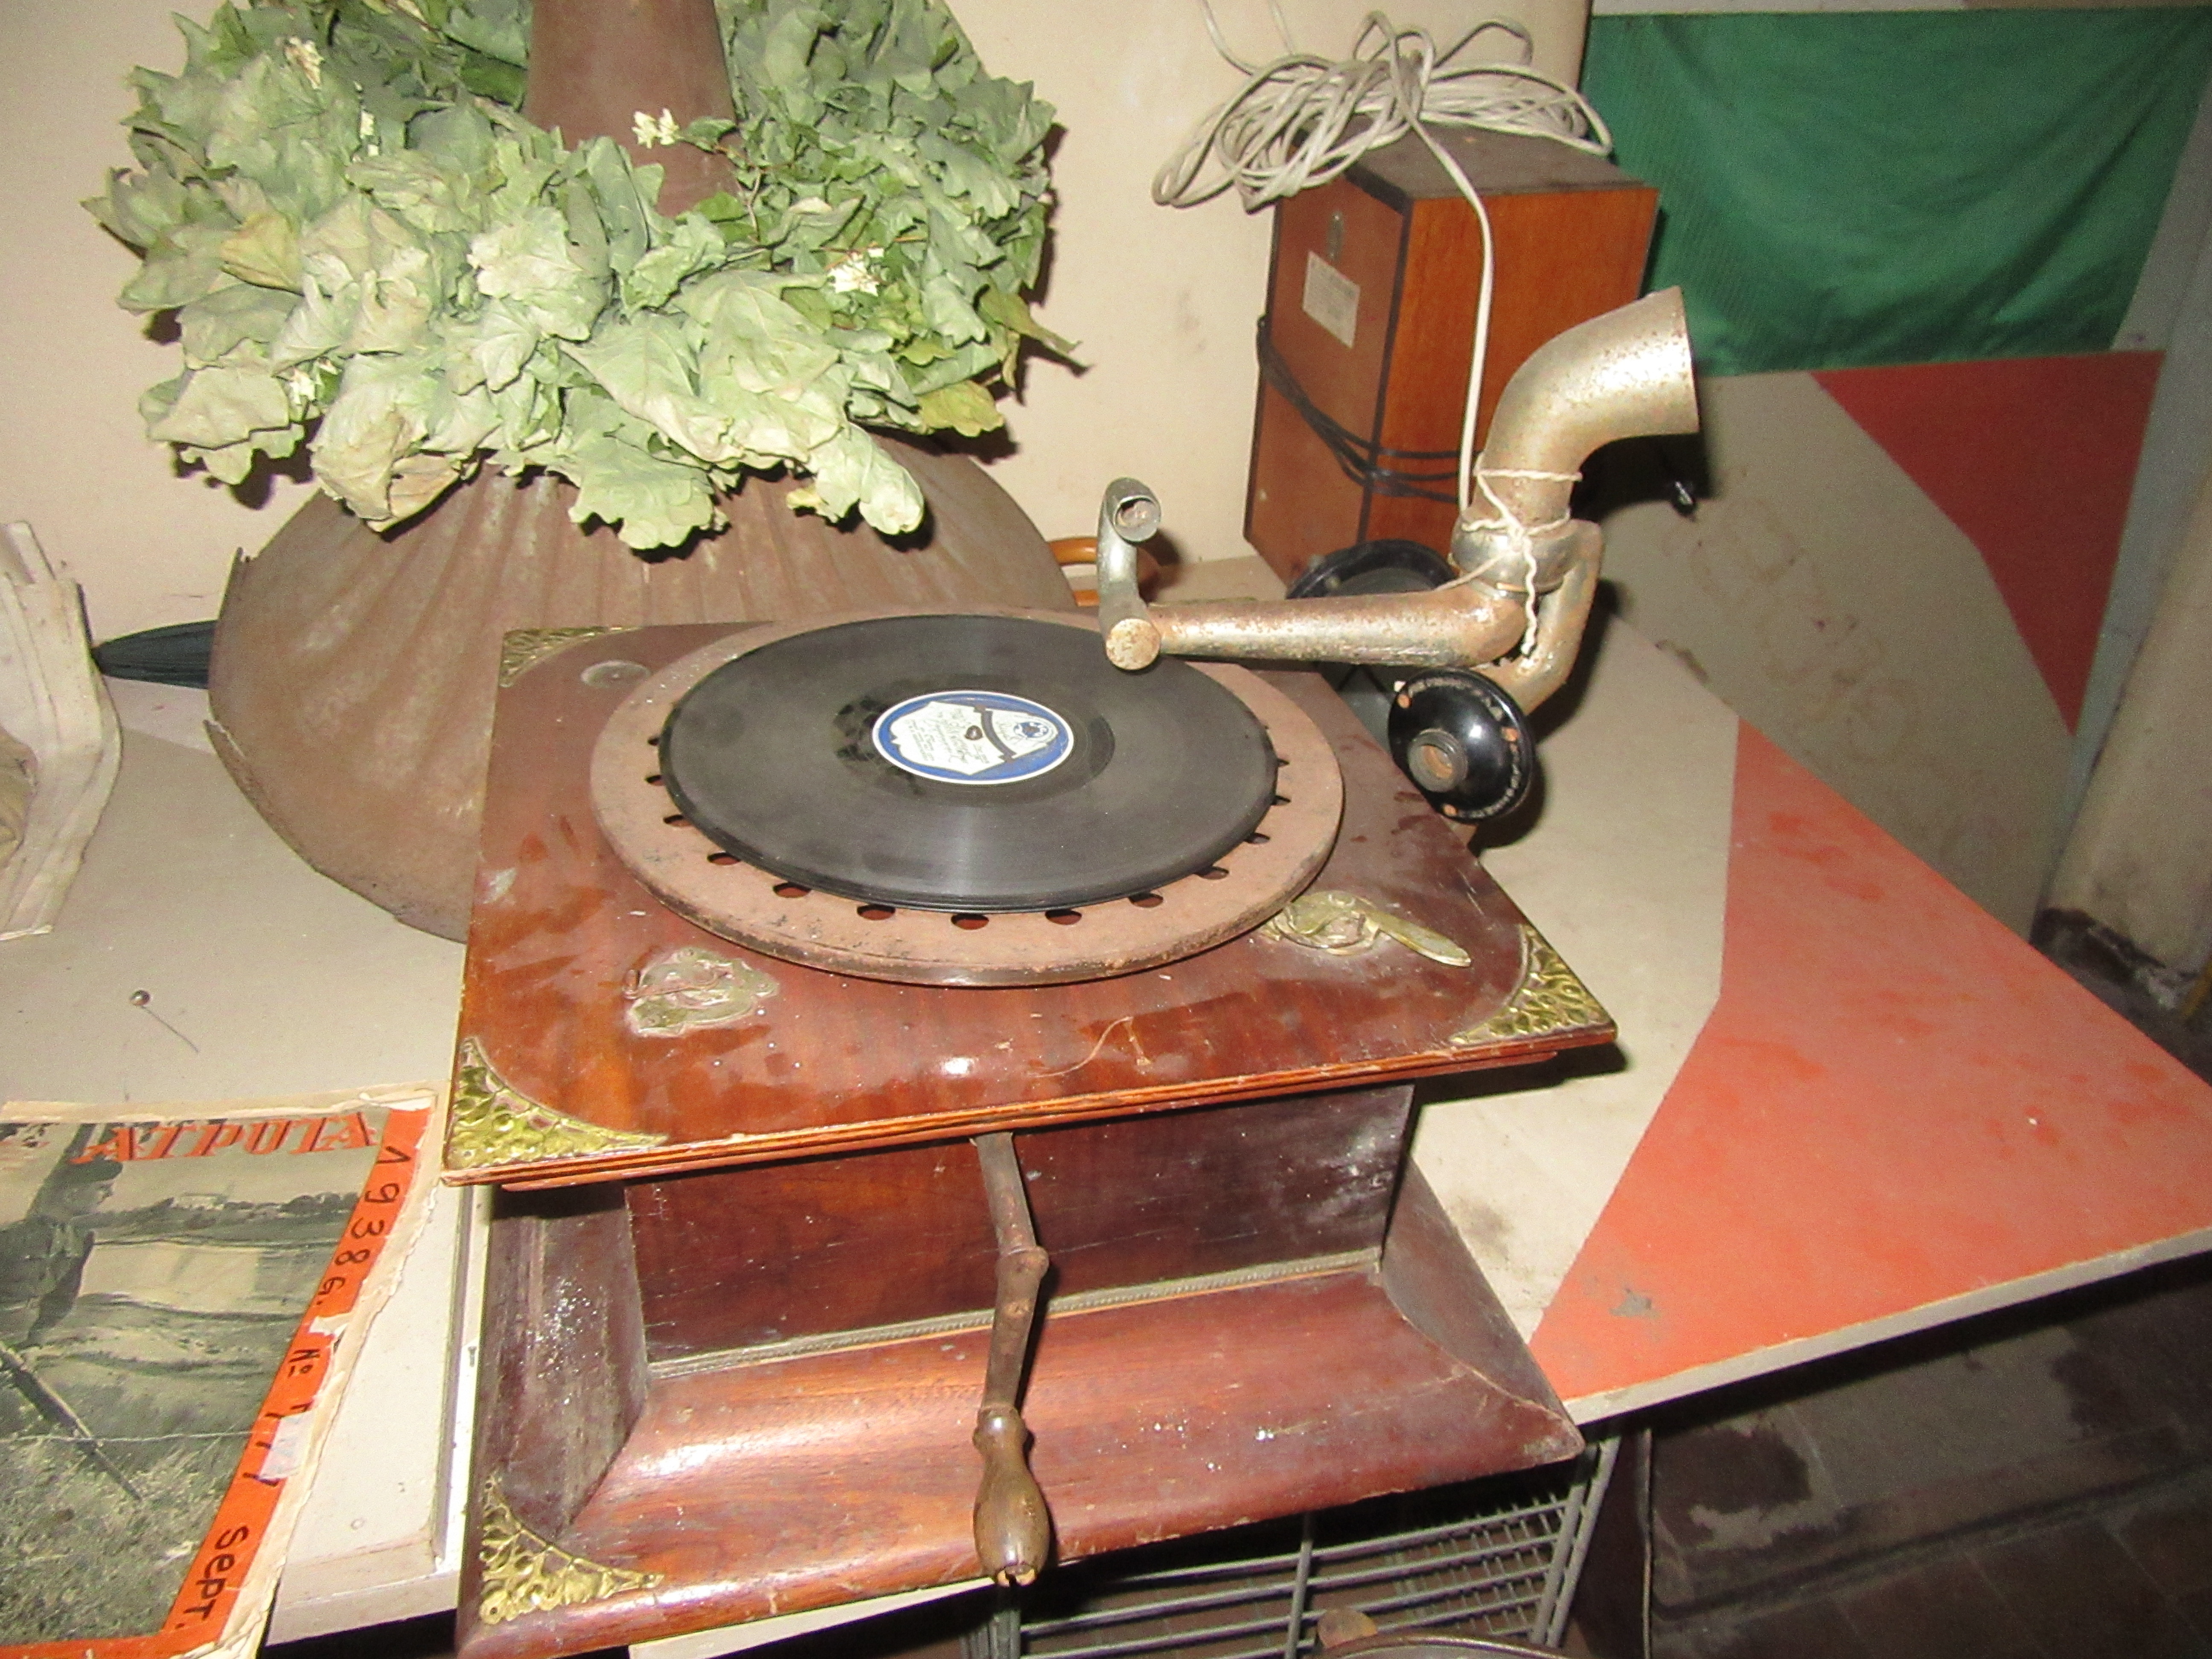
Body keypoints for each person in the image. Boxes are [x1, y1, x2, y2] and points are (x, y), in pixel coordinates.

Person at [0, 1152, 120, 1350]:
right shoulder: (13, 1236)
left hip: (20, 1341)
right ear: (71, 1194)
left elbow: (63, 1296)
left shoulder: (81, 1240)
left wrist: (36, 1341)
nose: (110, 1195)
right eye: (102, 1188)